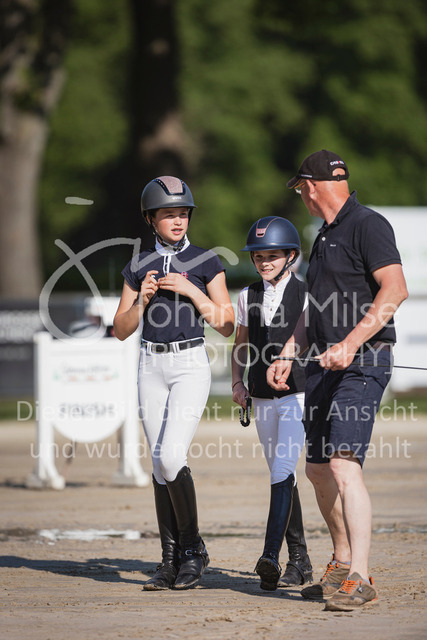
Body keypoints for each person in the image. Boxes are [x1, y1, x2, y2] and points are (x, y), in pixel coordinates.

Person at [267, 150, 408, 610]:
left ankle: (361, 578)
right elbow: (314, 309)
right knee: (317, 469)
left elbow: (395, 289)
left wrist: (349, 343)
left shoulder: (368, 224)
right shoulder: (324, 235)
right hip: (322, 367)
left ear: (309, 186)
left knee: (345, 466)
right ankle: (342, 563)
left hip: (363, 363)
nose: (301, 196)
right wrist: (290, 350)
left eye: (300, 189)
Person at [114, 176, 235, 591]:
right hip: (150, 364)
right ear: (151, 219)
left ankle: (193, 549)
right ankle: (169, 560)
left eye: (183, 213)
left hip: (188, 365)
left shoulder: (206, 261)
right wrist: (140, 301)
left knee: (170, 457)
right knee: (159, 465)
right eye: (169, 214)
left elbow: (227, 323)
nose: (179, 221)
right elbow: (121, 329)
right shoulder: (138, 265)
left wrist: (192, 292)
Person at [231, 216, 313, 591]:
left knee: (282, 468)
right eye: (259, 256)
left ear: (290, 256)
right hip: (262, 397)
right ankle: (300, 560)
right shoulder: (246, 295)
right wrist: (237, 382)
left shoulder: (307, 292)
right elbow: (241, 345)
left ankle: (270, 555)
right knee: (283, 476)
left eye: (272, 256)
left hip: (298, 392)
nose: (264, 262)